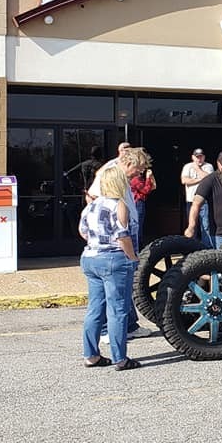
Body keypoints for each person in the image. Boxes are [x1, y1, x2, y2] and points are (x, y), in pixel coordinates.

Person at [86, 146, 155, 342]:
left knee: (125, 283)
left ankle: (130, 325)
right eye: (139, 169)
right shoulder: (111, 172)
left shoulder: (123, 176)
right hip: (115, 238)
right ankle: (108, 330)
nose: (139, 173)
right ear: (128, 163)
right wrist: (106, 231)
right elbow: (92, 197)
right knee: (115, 285)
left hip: (127, 231)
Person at [78, 166, 142, 371]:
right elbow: (123, 236)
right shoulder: (119, 205)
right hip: (113, 259)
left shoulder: (90, 206)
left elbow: (83, 232)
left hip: (90, 257)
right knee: (117, 310)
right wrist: (133, 258)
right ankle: (120, 358)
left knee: (95, 308)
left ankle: (91, 355)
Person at [181, 148, 215, 246]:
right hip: (191, 201)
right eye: (197, 157)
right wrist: (200, 179)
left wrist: (197, 169)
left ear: (204, 157)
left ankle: (206, 248)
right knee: (192, 226)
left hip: (205, 202)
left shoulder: (209, 166)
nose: (199, 159)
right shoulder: (187, 166)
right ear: (192, 157)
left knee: (206, 226)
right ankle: (192, 248)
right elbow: (184, 180)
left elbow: (209, 179)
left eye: (201, 157)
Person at [129, 164, 156, 247]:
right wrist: (148, 178)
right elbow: (145, 190)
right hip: (138, 202)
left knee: (139, 224)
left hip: (138, 202)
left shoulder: (137, 178)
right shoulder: (136, 179)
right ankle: (138, 245)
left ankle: (138, 243)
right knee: (138, 225)